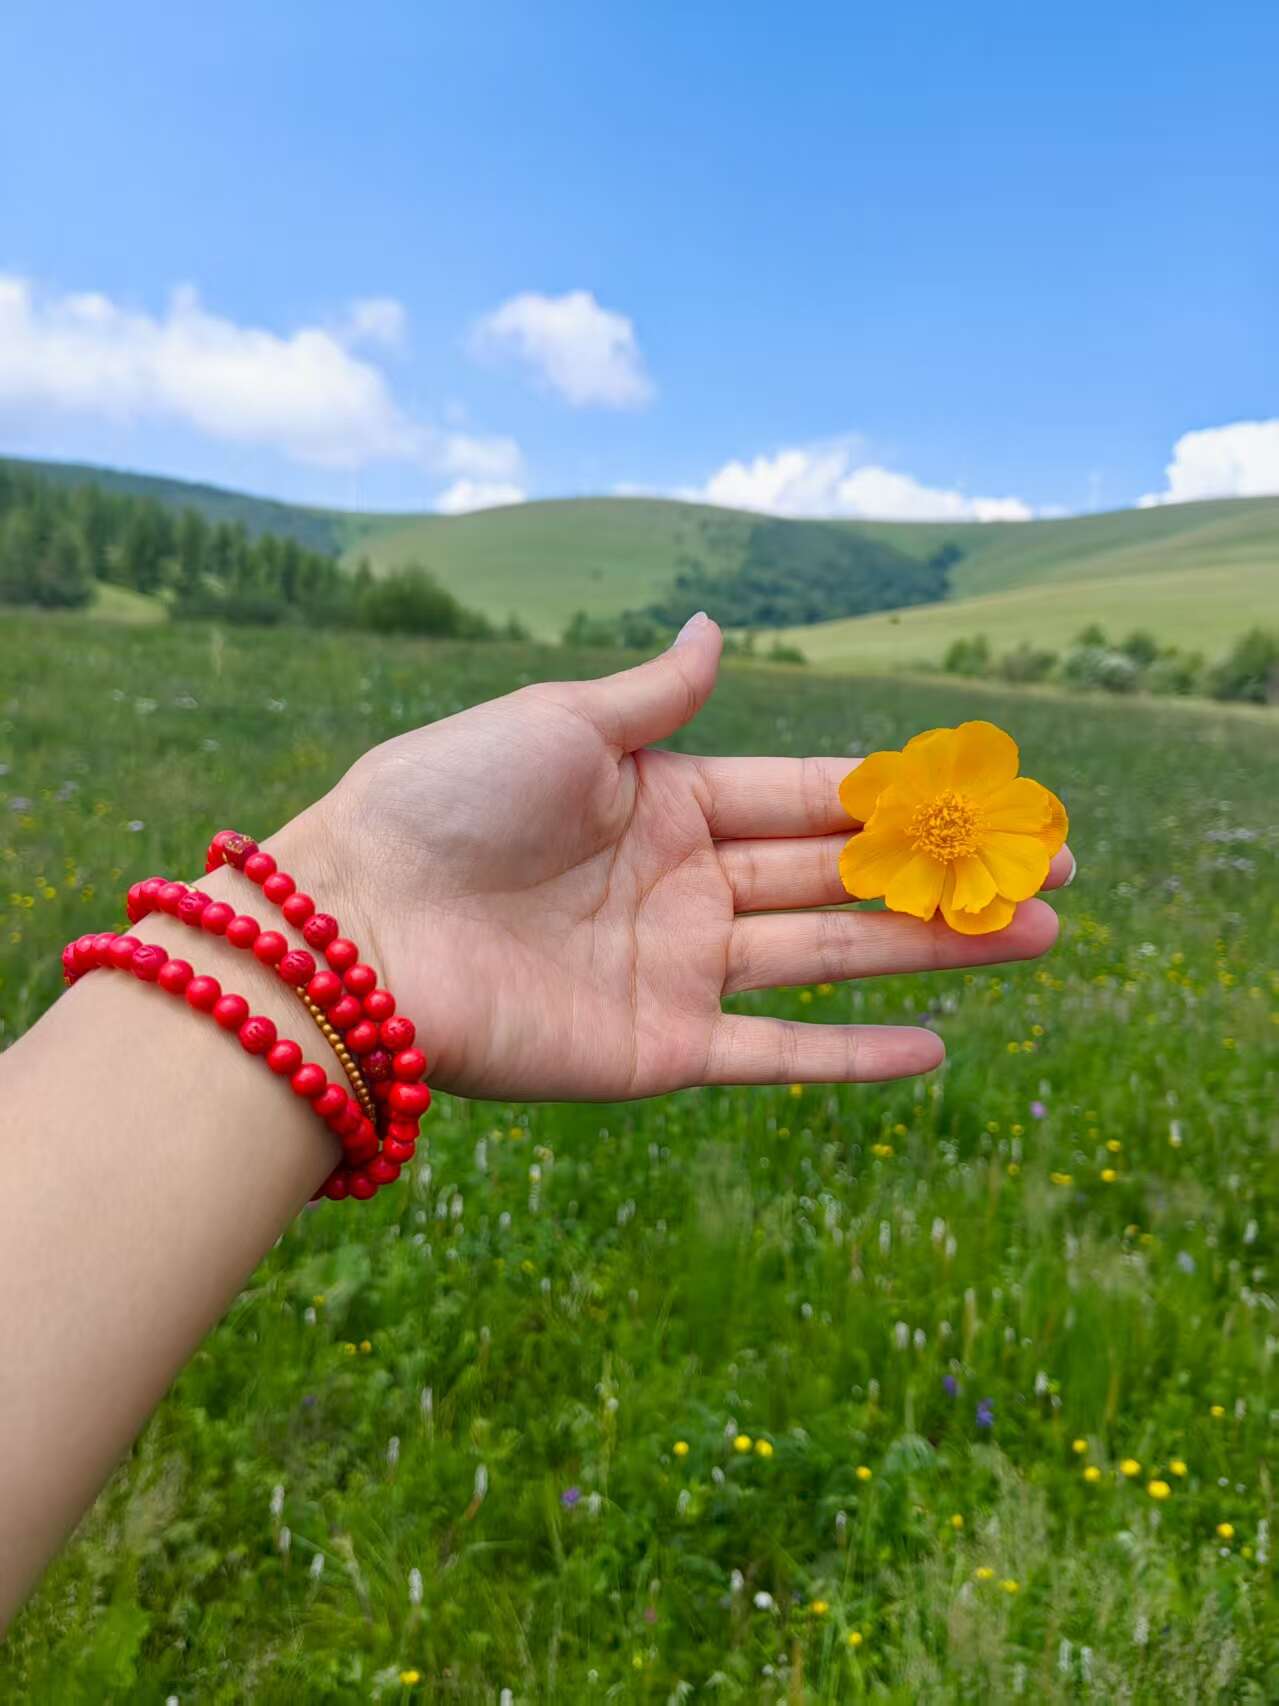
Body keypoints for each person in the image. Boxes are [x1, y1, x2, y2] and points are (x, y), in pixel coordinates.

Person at [0, 613, 1072, 1624]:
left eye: (948, 817)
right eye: (938, 813)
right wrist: (362, 892)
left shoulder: (978, 843)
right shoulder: (885, 829)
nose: (942, 819)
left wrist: (355, 916)